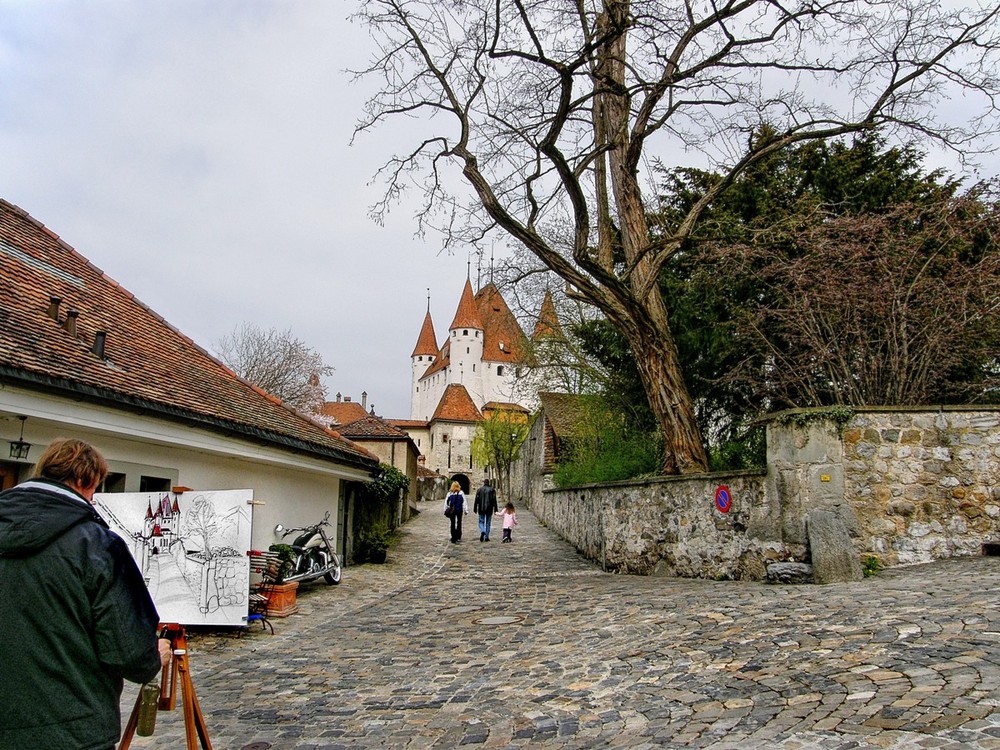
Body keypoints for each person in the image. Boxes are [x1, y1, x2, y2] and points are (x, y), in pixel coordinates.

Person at [0, 438, 170, 749]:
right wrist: (153, 655)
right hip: (72, 728)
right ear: (84, 480)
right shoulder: (96, 545)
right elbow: (129, 651)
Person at [473, 477, 499, 542]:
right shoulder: (492, 490)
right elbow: (494, 500)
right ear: (488, 483)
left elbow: (476, 500)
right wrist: (495, 508)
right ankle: (487, 537)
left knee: (481, 521)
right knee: (488, 523)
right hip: (489, 508)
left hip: (481, 508)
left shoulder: (479, 490)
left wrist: (475, 508)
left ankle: (482, 531)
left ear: (484, 483)